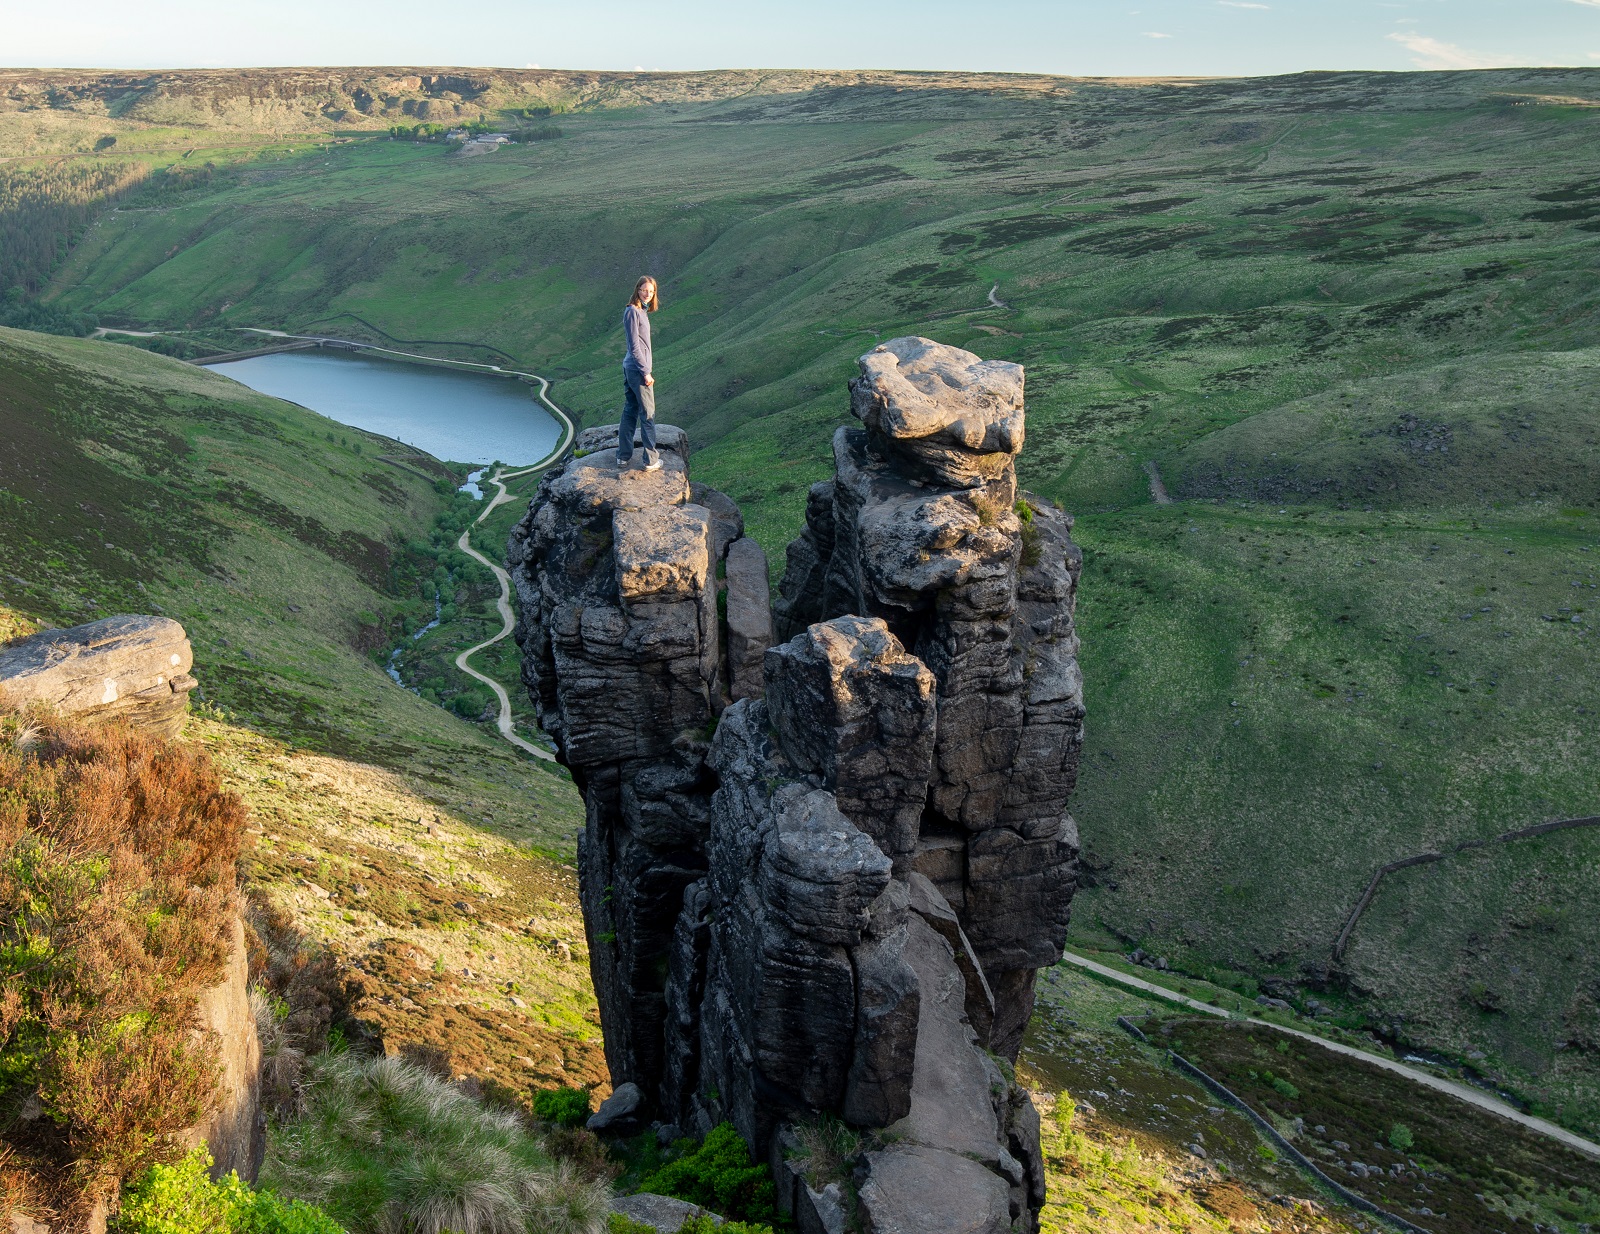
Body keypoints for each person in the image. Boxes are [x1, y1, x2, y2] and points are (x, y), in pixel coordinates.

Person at [618, 275, 660, 472]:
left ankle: (623, 456)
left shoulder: (640, 311)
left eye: (651, 292)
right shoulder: (633, 312)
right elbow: (635, 346)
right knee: (647, 413)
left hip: (631, 367)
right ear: (637, 289)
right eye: (644, 290)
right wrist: (646, 372)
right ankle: (651, 460)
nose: (648, 294)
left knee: (630, 410)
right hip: (637, 369)